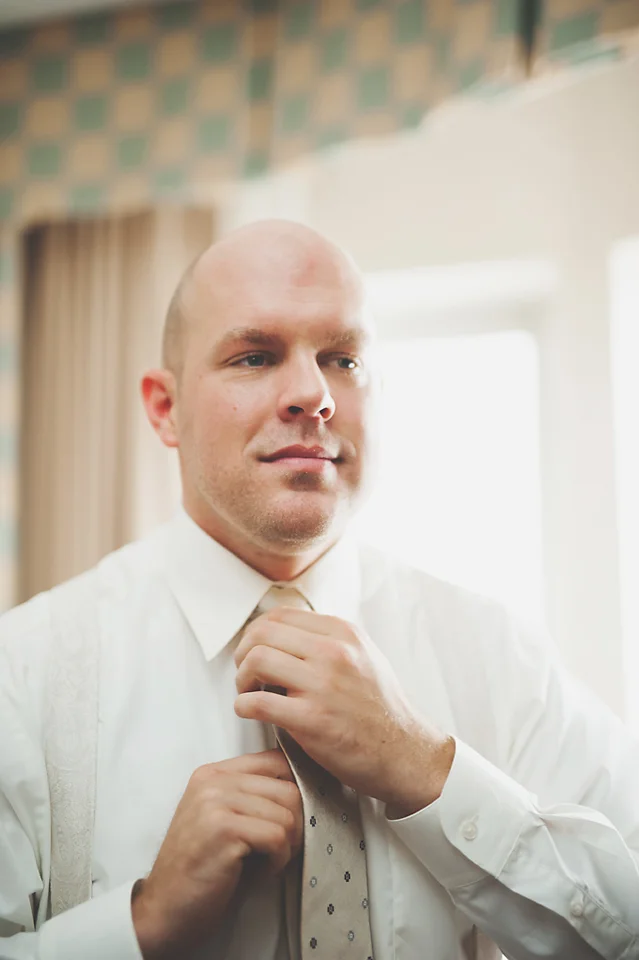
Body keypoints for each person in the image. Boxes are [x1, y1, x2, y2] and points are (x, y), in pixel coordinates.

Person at [0, 220, 638, 960]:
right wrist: (142, 925)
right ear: (164, 409)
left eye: (343, 359)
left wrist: (430, 772)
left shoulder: (498, 656)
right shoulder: (24, 672)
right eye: (254, 356)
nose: (313, 393)